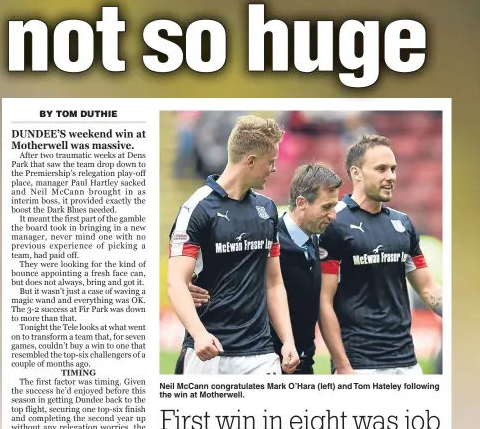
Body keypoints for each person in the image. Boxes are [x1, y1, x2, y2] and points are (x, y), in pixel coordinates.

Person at [168, 115, 299, 375]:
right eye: (271, 162)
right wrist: (200, 334)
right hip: (208, 351)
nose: (274, 169)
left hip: (260, 354)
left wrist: (288, 340)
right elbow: (176, 283)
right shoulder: (198, 209)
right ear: (250, 161)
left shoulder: (267, 209)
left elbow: (274, 282)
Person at [191, 164, 342, 374]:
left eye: (334, 206)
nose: (333, 215)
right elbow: (226, 265)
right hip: (267, 361)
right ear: (301, 203)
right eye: (326, 207)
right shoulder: (267, 237)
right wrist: (190, 281)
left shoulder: (321, 239)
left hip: (303, 361)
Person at [318, 134, 443, 374]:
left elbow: (429, 289)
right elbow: (324, 301)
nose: (391, 177)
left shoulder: (403, 223)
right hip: (360, 364)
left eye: (393, 169)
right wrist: (342, 365)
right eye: (381, 169)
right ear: (356, 173)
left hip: (407, 362)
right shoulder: (334, 223)